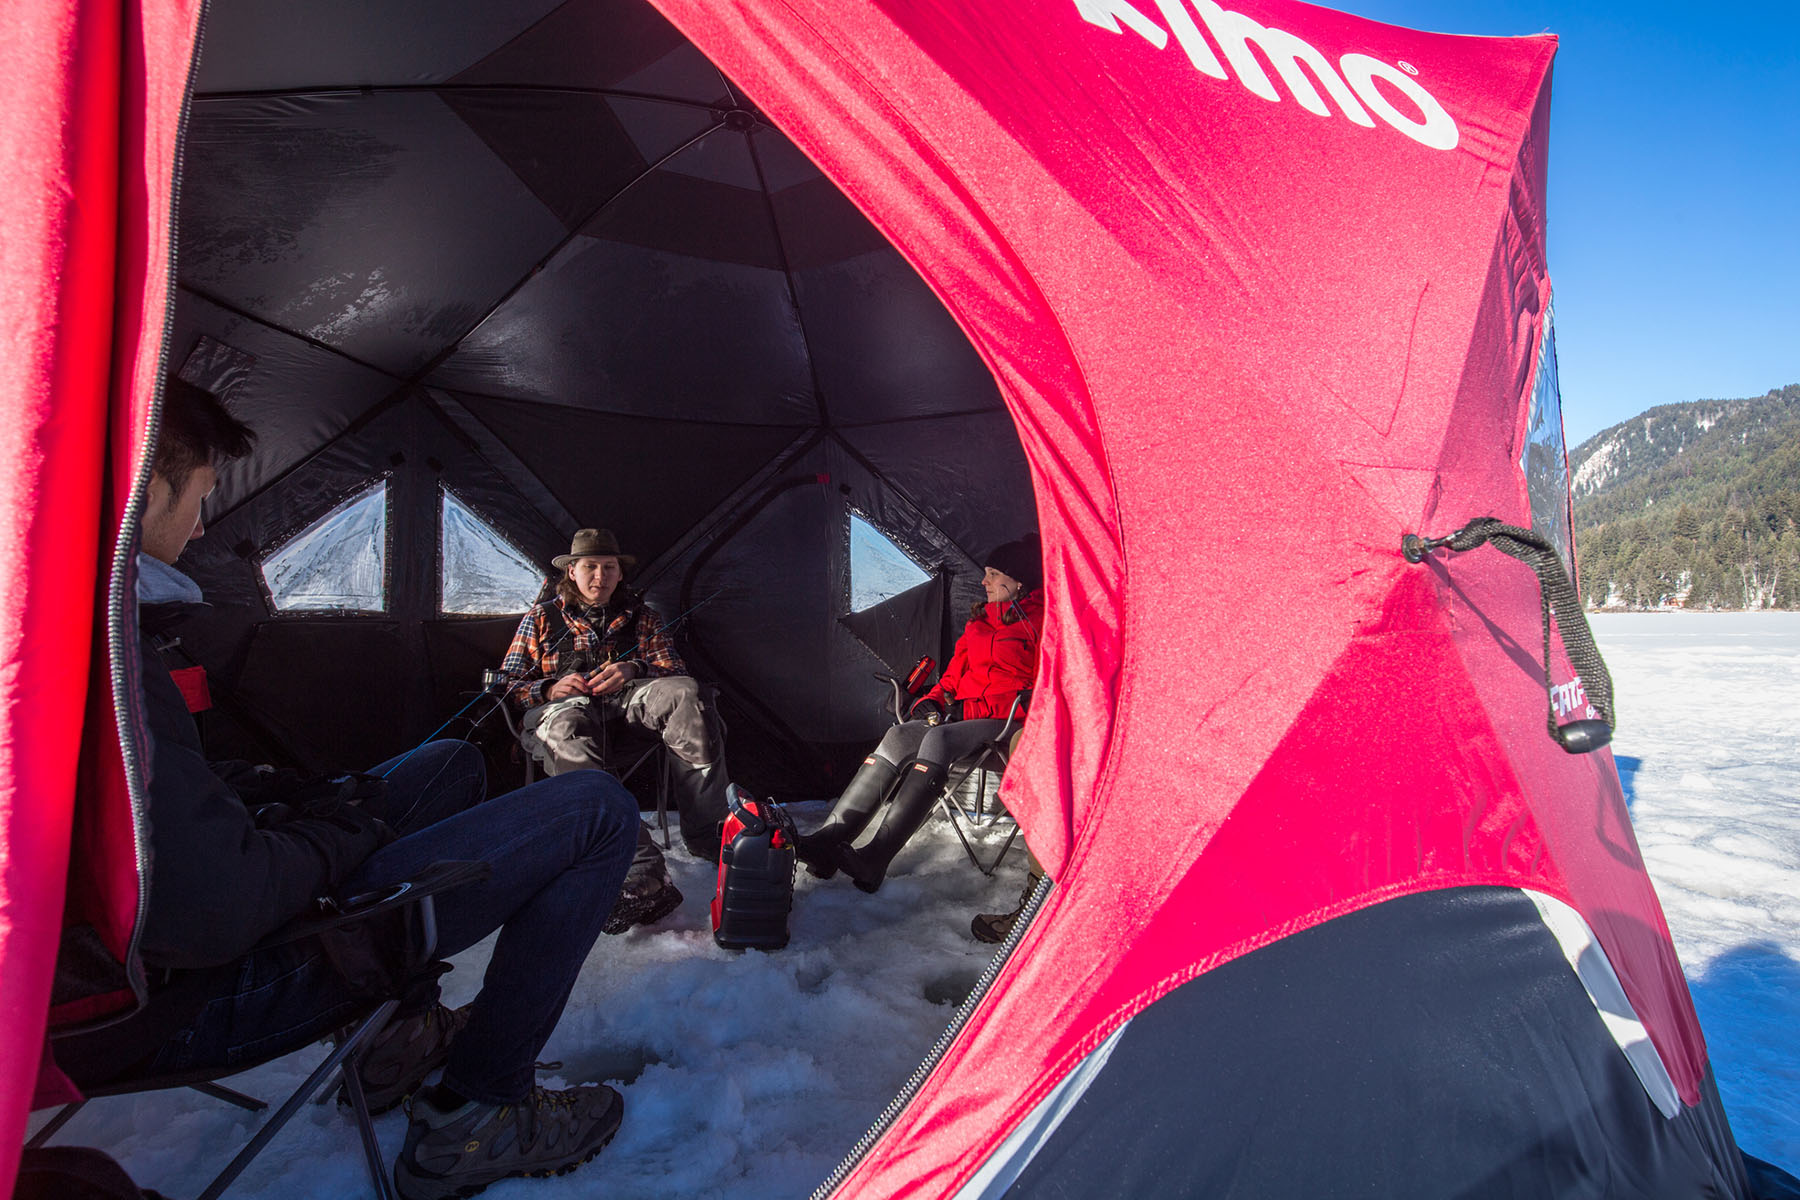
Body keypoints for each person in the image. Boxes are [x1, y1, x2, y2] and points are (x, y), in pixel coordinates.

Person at [53, 380, 639, 1200]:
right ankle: (478, 1112)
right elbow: (218, 904)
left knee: (450, 764)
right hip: (190, 995)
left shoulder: (55, 619)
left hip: (129, 957)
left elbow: (149, 811)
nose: (199, 524)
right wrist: (333, 836)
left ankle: (396, 1041)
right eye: (199, 497)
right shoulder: (102, 658)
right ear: (148, 490)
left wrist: (275, 801)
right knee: (600, 812)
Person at [497, 528, 731, 922]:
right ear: (572, 571)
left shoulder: (643, 618)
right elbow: (507, 683)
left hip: (627, 713)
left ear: (620, 574)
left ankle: (709, 835)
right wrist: (549, 687)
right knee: (565, 730)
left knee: (688, 693)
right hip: (564, 714)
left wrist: (633, 667)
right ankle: (638, 870)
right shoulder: (539, 618)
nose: (599, 577)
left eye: (609, 568)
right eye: (590, 567)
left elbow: (673, 670)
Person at [799, 534, 1046, 894]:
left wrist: (978, 709)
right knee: (900, 735)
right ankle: (826, 843)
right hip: (962, 718)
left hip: (1006, 725)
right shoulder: (978, 624)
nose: (984, 582)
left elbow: (1045, 688)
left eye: (993, 574)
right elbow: (950, 679)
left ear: (1018, 580)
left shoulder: (1043, 624)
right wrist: (933, 700)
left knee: (939, 737)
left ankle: (875, 858)